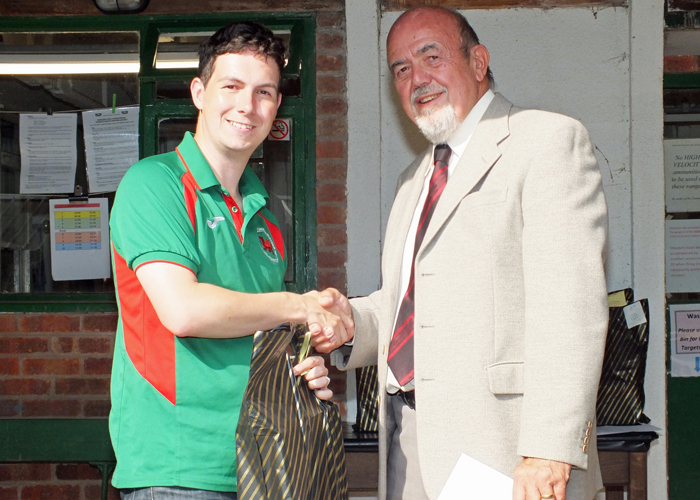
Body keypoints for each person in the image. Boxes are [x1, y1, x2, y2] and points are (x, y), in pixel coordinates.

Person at [318, 6, 608, 500]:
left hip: (505, 450)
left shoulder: (546, 141)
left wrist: (548, 450)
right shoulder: (414, 180)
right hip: (407, 444)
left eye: (431, 56)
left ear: (478, 62)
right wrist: (349, 322)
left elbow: (571, 308)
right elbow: (406, 306)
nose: (417, 78)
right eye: (401, 69)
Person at [108, 22, 349, 500]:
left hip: (264, 464)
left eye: (264, 92)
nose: (247, 106)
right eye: (231, 87)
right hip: (179, 470)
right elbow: (185, 311)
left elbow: (254, 334)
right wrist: (297, 306)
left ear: (277, 105)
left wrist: (302, 365)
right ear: (199, 92)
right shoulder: (155, 184)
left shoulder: (266, 217)